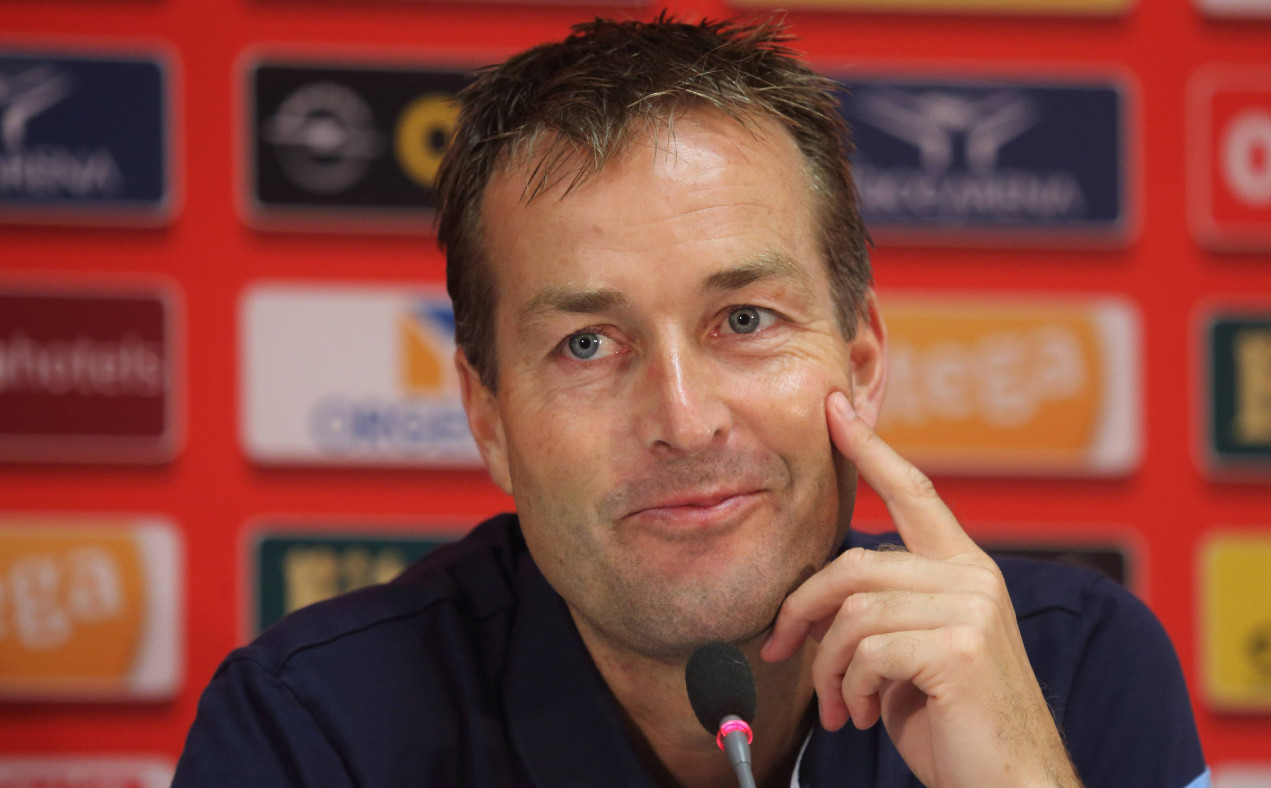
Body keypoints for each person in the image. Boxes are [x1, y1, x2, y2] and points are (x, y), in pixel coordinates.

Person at [174, 16, 1209, 788]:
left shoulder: (1069, 668)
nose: (682, 418)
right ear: (488, 418)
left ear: (859, 363)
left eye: (745, 320)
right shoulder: (313, 732)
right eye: (587, 343)